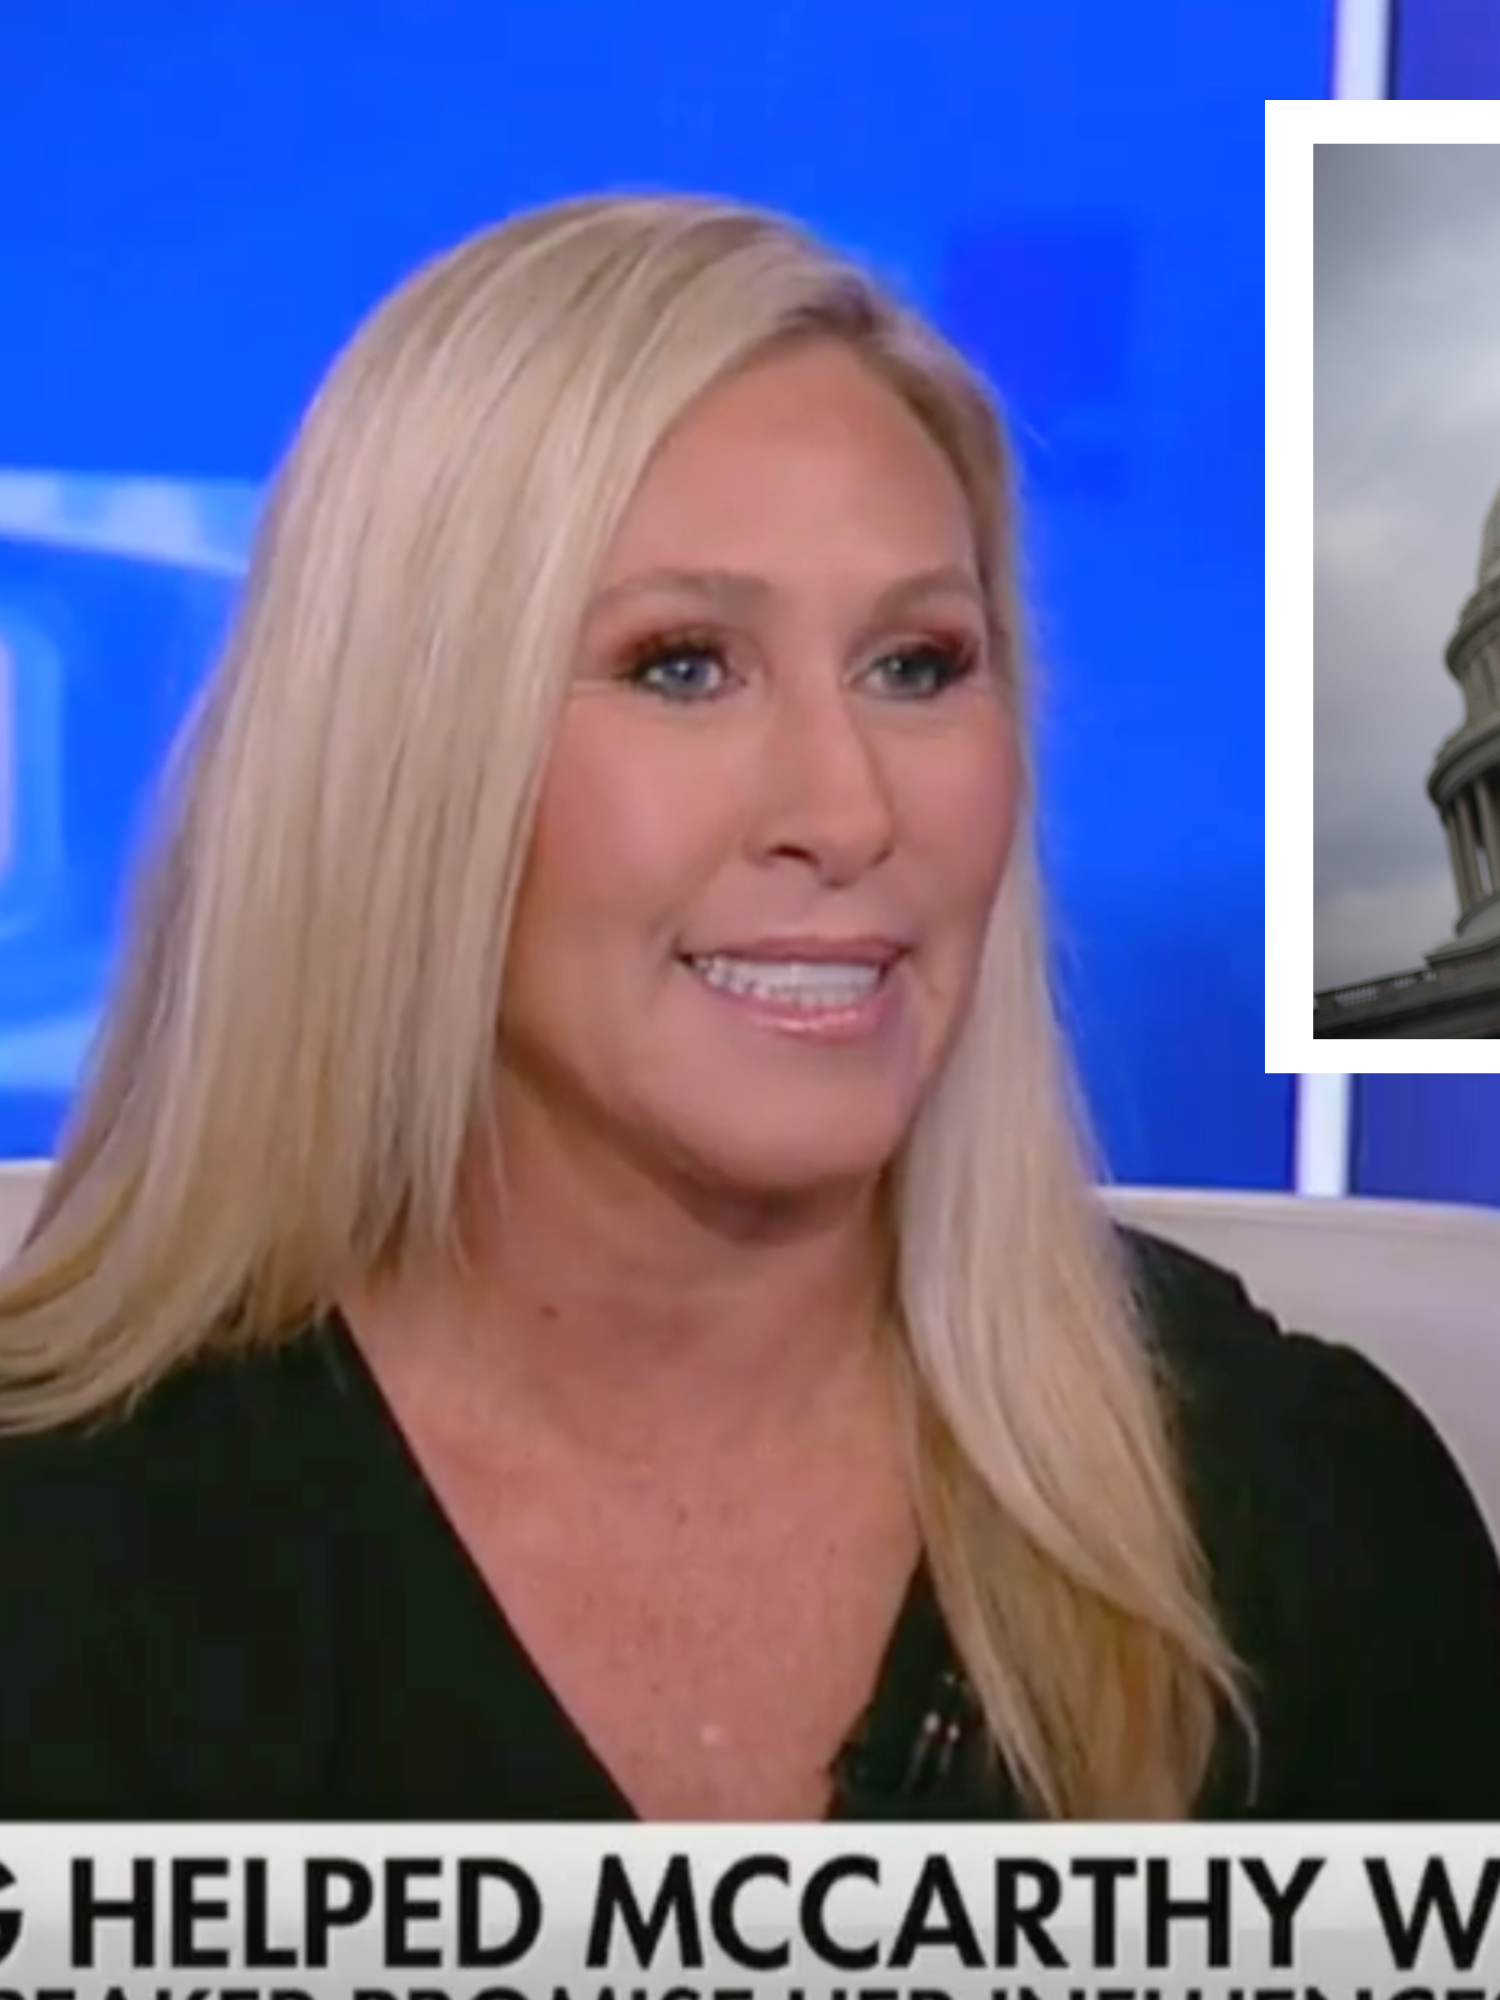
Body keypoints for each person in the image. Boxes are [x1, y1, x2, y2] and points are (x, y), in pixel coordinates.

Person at [0, 193, 1496, 1823]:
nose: (848, 811)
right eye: (684, 665)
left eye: (916, 666)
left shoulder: (1295, 1513)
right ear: (402, 755)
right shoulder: (66, 1547)